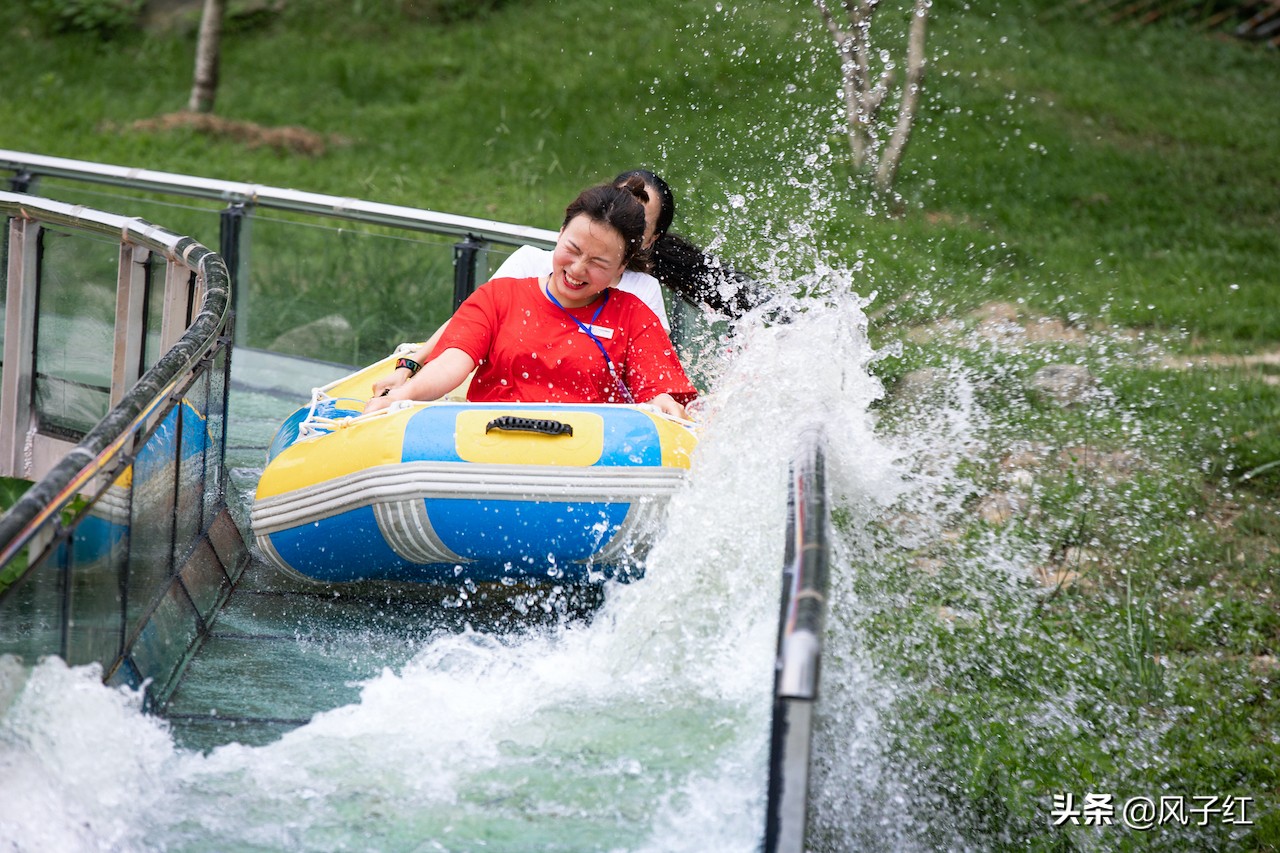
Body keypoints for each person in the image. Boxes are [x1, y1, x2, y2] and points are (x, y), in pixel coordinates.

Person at [363, 179, 698, 419]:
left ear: (622, 267)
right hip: (486, 445)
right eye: (572, 249)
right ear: (560, 234)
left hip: (589, 463)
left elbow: (656, 387)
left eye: (598, 263)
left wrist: (663, 403)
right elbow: (454, 360)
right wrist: (404, 394)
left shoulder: (634, 315)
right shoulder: (500, 295)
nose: (578, 269)